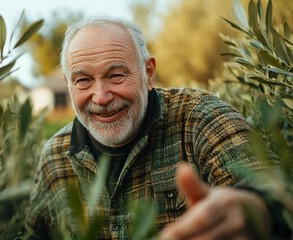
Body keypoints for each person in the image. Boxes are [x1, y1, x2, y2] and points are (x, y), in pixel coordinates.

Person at [25, 16, 291, 239]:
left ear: (148, 73)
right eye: (83, 80)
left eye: (116, 75)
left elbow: (275, 192)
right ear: (68, 83)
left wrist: (259, 211)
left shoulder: (199, 118)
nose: (101, 97)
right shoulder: (55, 158)